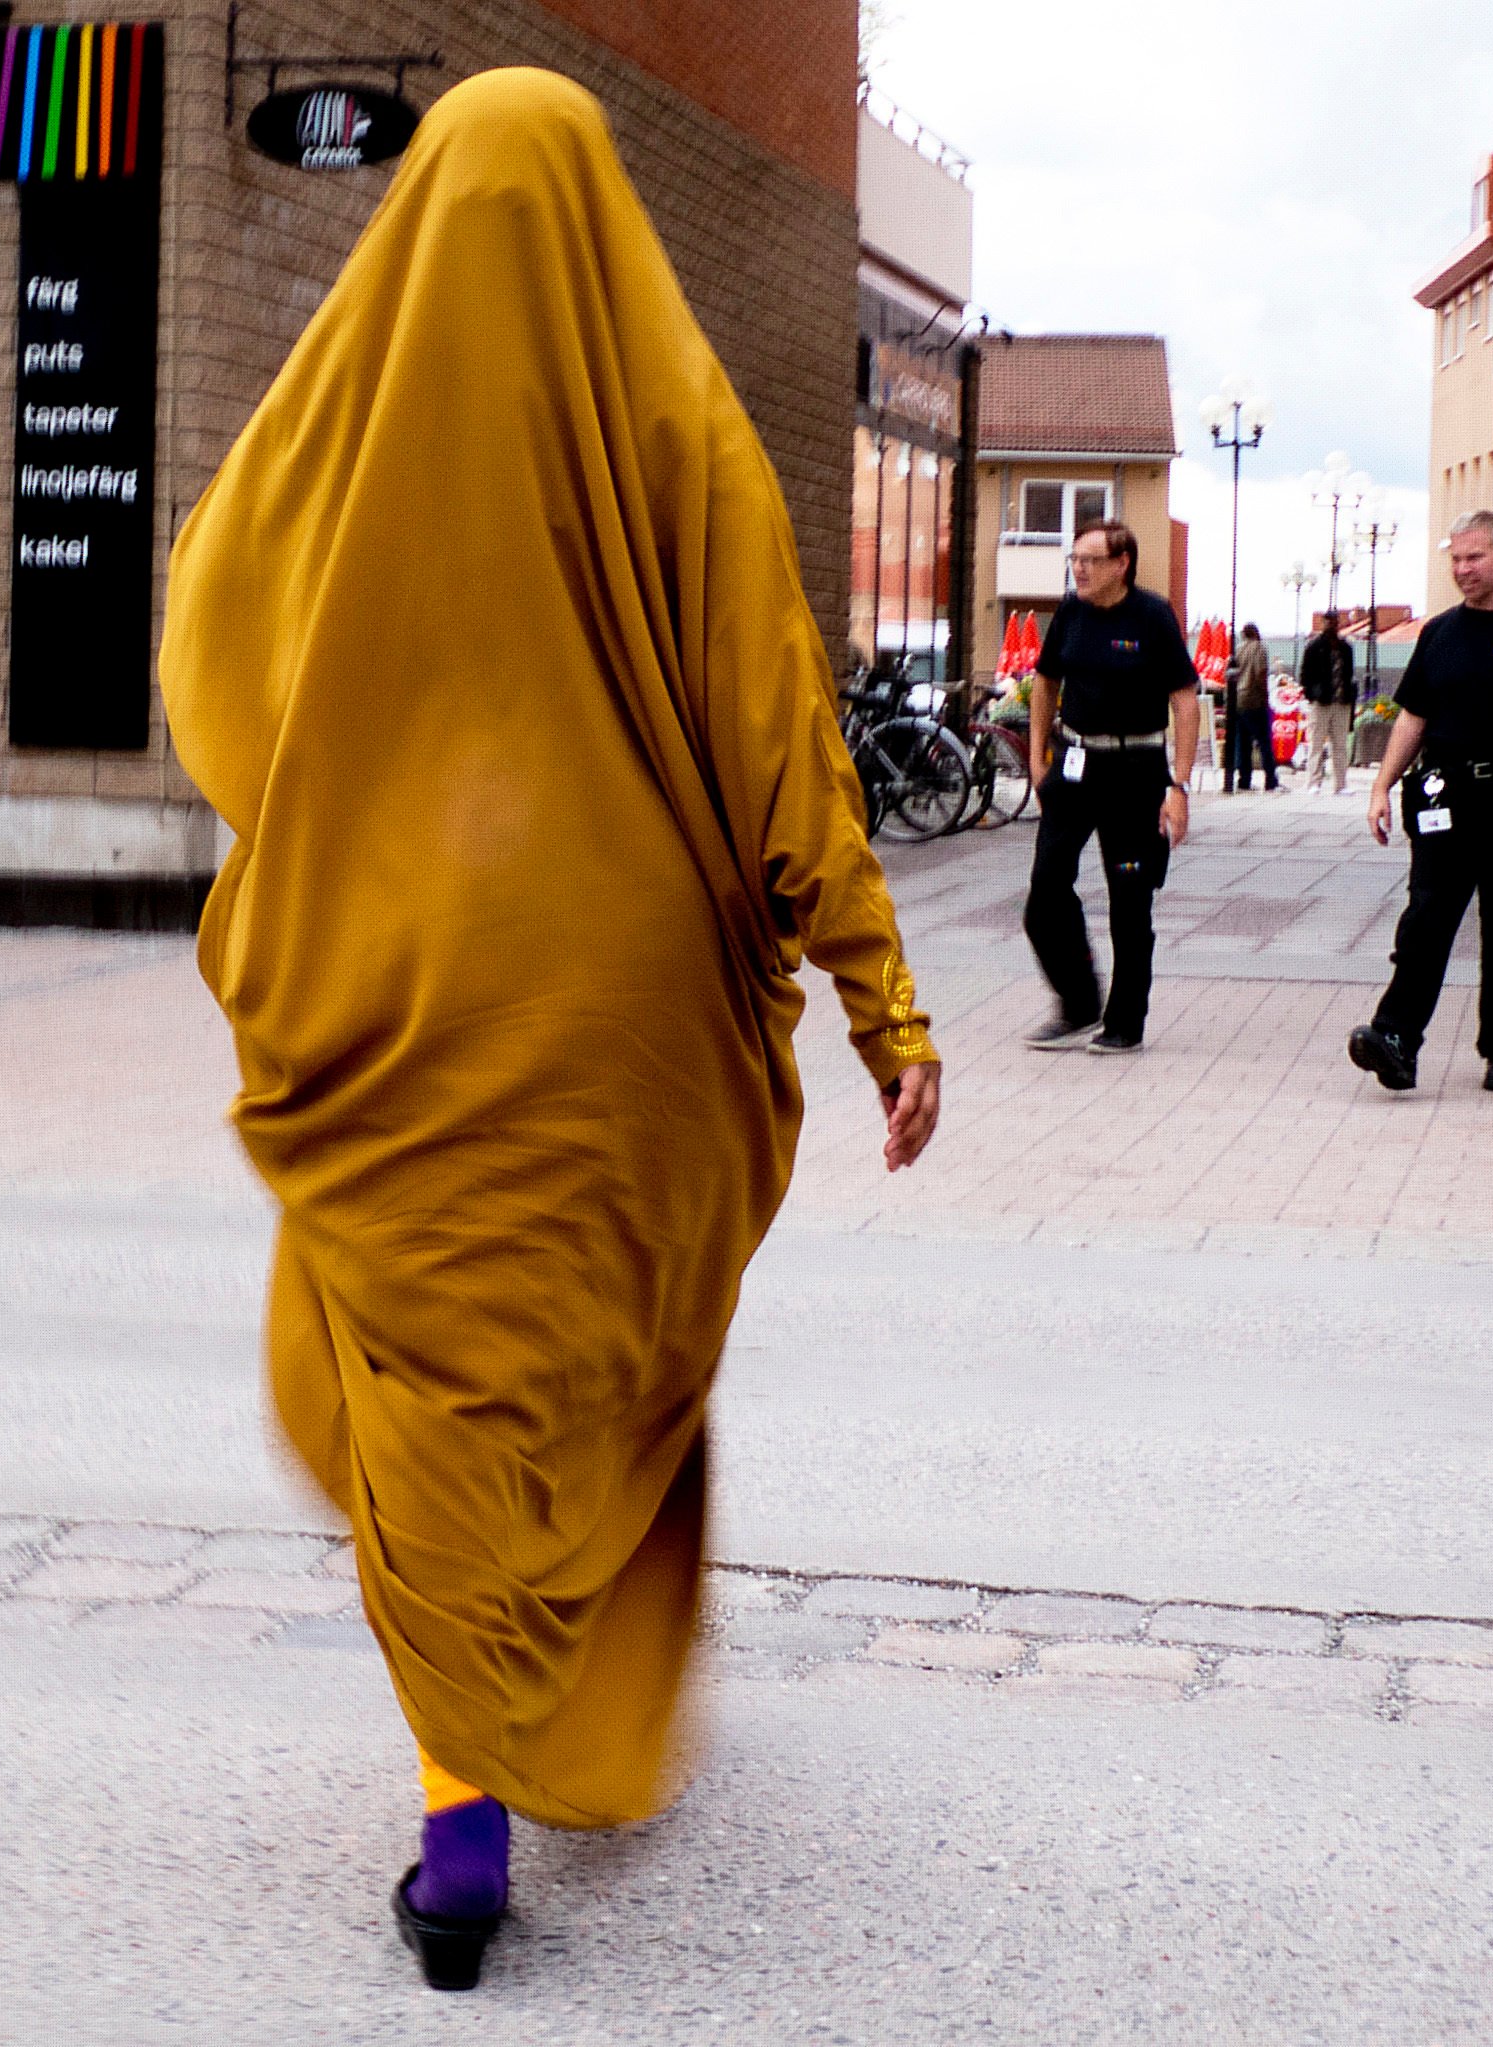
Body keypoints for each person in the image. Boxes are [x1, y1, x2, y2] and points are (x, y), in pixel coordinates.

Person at [157, 69, 943, 1993]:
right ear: (607, 216)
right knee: (586, 1380)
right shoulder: (681, 420)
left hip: (396, 989)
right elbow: (781, 742)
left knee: (430, 1390)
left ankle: (458, 1824)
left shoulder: (339, 414)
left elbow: (210, 636)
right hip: (636, 1019)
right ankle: (548, 1696)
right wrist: (880, 1004)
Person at [1348, 511, 1493, 1095]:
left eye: (1474, 557)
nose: (1463, 569)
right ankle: (1395, 1038)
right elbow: (1414, 716)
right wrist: (1381, 786)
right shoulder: (1440, 633)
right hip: (1444, 798)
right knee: (1425, 921)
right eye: (1455, 559)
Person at [1023, 519, 1200, 1053]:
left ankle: (1125, 1021)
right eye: (1074, 558)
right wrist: (1037, 757)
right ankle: (1077, 1002)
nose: (1079, 568)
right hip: (1075, 767)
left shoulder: (1151, 615)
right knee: (1045, 896)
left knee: (1129, 899)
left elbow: (1186, 700)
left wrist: (1180, 786)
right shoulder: (1071, 613)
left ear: (1121, 565)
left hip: (1135, 772)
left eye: (1091, 560)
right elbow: (1045, 680)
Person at [1299, 616, 1357, 795]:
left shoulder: (1345, 647)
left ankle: (1340, 784)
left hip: (1341, 701)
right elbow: (1305, 673)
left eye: (1334, 622)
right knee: (1316, 743)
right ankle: (1314, 782)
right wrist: (1311, 694)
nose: (1331, 625)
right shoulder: (1315, 646)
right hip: (1321, 700)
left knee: (1340, 745)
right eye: (1328, 622)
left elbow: (1349, 673)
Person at [1228, 623, 1278, 791]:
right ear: (1256, 633)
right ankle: (1270, 779)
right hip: (1254, 699)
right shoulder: (1260, 648)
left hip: (1238, 701)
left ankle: (1244, 780)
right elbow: (1261, 673)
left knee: (1243, 743)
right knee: (1264, 741)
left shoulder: (1238, 650)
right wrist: (1265, 696)